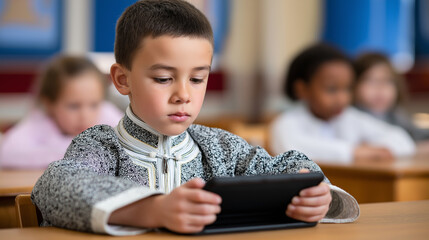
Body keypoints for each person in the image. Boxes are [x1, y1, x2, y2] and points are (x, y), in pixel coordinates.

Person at [32, 0, 359, 236]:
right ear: (122, 80)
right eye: (163, 78)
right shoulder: (102, 144)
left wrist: (314, 192)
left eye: (198, 78)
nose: (183, 95)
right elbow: (55, 186)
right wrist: (152, 211)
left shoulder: (219, 146)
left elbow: (284, 166)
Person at [270, 44, 415, 163]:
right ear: (302, 89)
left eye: (348, 89)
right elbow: (293, 150)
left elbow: (402, 140)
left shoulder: (350, 117)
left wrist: (374, 149)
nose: (342, 99)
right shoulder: (286, 122)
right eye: (331, 89)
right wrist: (354, 151)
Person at [0, 56, 123, 169]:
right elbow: (6, 154)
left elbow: (133, 144)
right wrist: (74, 153)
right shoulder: (40, 122)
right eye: (74, 106)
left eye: (94, 105)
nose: (85, 116)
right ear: (49, 103)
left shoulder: (106, 113)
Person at [354, 52, 429, 141]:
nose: (380, 88)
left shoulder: (395, 114)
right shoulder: (352, 118)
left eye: (387, 81)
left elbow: (416, 133)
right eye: (371, 81)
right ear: (353, 85)